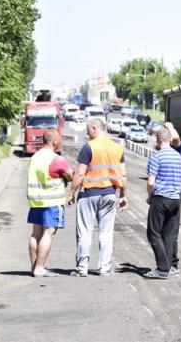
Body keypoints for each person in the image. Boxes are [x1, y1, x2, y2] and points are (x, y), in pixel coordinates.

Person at [67, 118, 128, 277]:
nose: (87, 133)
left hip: (88, 194)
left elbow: (80, 174)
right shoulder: (117, 148)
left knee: (85, 231)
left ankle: (82, 268)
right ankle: (104, 268)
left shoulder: (89, 147)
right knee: (106, 233)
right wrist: (123, 195)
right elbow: (123, 175)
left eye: (88, 130)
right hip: (109, 194)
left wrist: (71, 193)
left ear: (95, 128)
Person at [27, 129, 73, 278]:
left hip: (36, 200)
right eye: (59, 140)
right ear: (54, 141)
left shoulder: (35, 157)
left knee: (36, 234)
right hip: (52, 201)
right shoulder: (57, 159)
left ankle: (34, 267)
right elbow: (71, 176)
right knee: (49, 233)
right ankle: (40, 268)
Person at [143, 127, 181, 279]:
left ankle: (162, 268)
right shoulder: (178, 157)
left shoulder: (157, 156)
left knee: (153, 233)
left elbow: (151, 182)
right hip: (176, 199)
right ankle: (167, 267)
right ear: (170, 140)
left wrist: (149, 196)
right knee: (168, 234)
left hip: (161, 198)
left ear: (158, 140)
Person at [163, 122, 181, 274]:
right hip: (162, 194)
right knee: (161, 230)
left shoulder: (178, 150)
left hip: (174, 194)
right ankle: (165, 262)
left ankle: (172, 263)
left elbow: (176, 139)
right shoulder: (162, 151)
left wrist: (169, 127)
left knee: (172, 231)